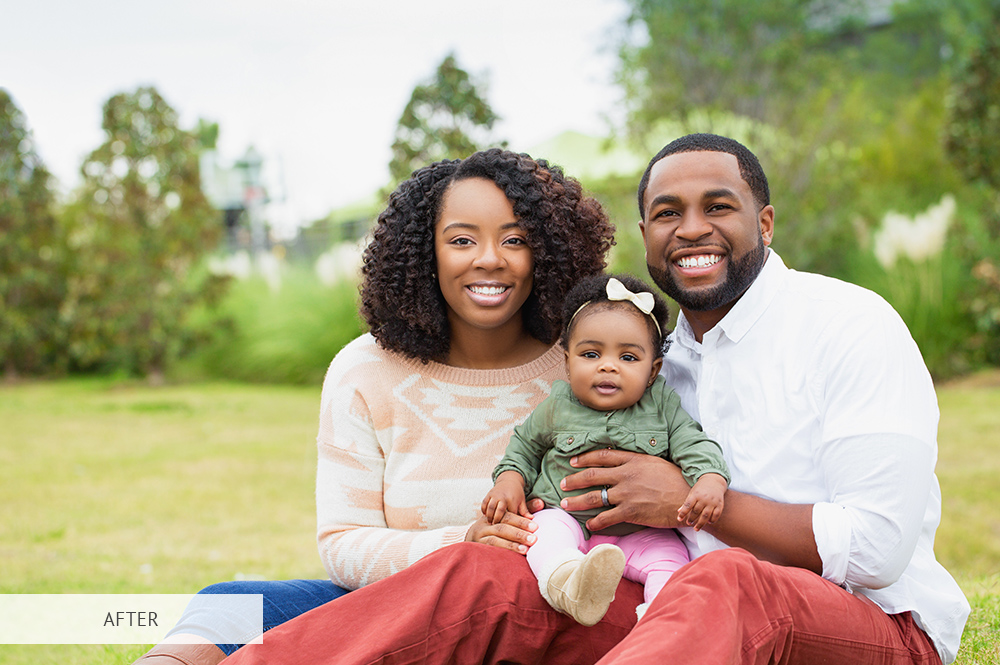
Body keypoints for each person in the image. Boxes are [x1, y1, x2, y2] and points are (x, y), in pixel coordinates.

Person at [221, 133, 970, 665]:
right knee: (491, 576)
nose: (693, 228)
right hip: (673, 613)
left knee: (726, 578)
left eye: (719, 205)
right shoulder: (653, 359)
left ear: (764, 222)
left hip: (868, 630)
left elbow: (875, 549)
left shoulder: (848, 324)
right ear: (645, 235)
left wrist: (686, 503)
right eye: (669, 213)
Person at [133, 148, 617, 665]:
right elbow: (342, 543)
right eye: (461, 240)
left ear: (547, 251)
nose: (489, 258)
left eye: (515, 239)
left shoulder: (587, 366)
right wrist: (464, 543)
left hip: (536, 616)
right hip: (398, 606)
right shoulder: (363, 369)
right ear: (424, 252)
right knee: (230, 608)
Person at [483, 272, 729, 626]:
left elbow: (692, 441)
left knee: (671, 561)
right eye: (591, 353)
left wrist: (709, 479)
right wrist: (509, 481)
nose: (608, 365)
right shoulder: (557, 405)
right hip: (566, 516)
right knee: (541, 535)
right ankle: (569, 584)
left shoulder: (661, 404)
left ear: (653, 370)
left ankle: (661, 622)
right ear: (568, 362)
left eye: (628, 357)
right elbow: (523, 446)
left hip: (639, 530)